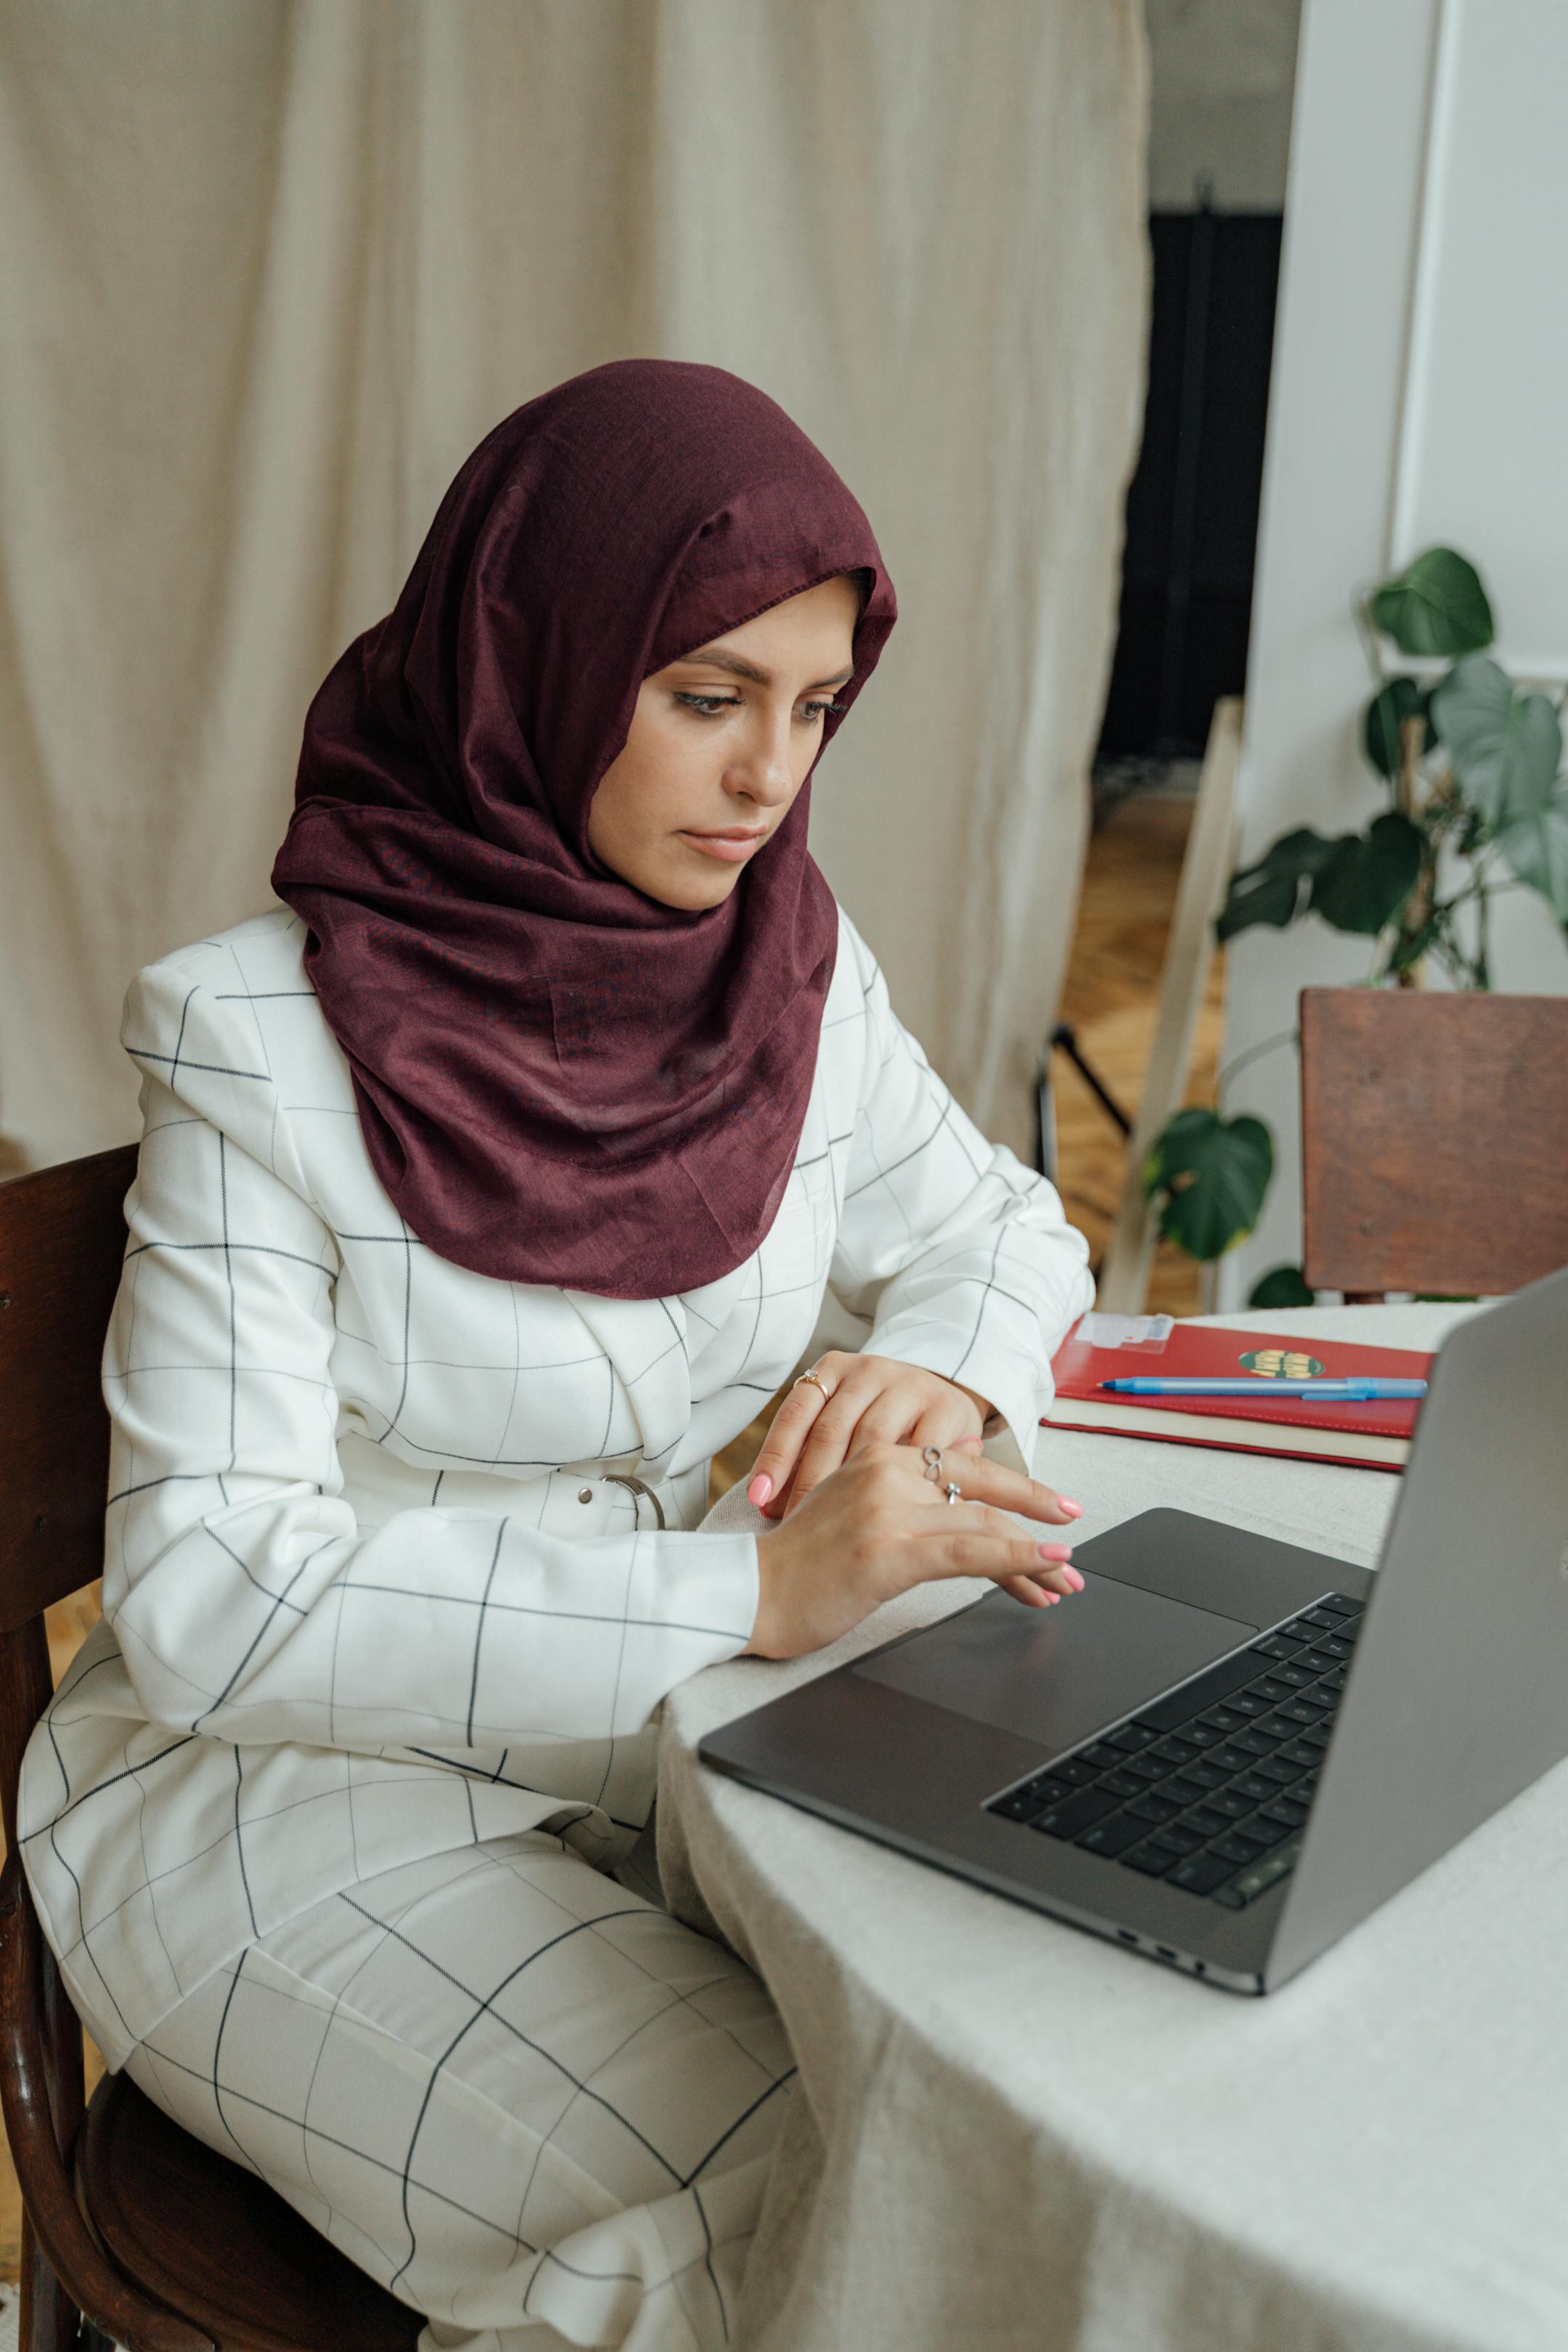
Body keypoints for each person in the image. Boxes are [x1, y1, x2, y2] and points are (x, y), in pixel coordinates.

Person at [20, 361, 1093, 2352]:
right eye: (707, 697)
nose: (771, 777)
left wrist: (939, 1377)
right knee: (793, 2209)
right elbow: (211, 1601)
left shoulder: (789, 963)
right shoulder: (256, 1044)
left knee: (1003, 2108)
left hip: (681, 1769)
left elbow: (1005, 1231)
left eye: (815, 709)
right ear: (533, 649)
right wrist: (749, 1588)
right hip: (289, 1814)